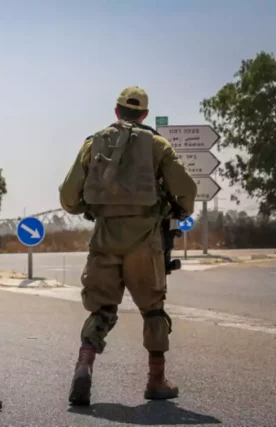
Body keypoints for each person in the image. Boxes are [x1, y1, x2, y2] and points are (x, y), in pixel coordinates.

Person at [59, 86, 197, 406]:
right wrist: (181, 211)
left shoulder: (93, 143)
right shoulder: (157, 145)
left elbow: (68, 197)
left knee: (102, 308)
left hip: (104, 238)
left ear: (117, 111)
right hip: (146, 240)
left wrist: (90, 210)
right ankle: (156, 380)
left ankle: (84, 365)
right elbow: (186, 188)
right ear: (145, 115)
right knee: (153, 309)